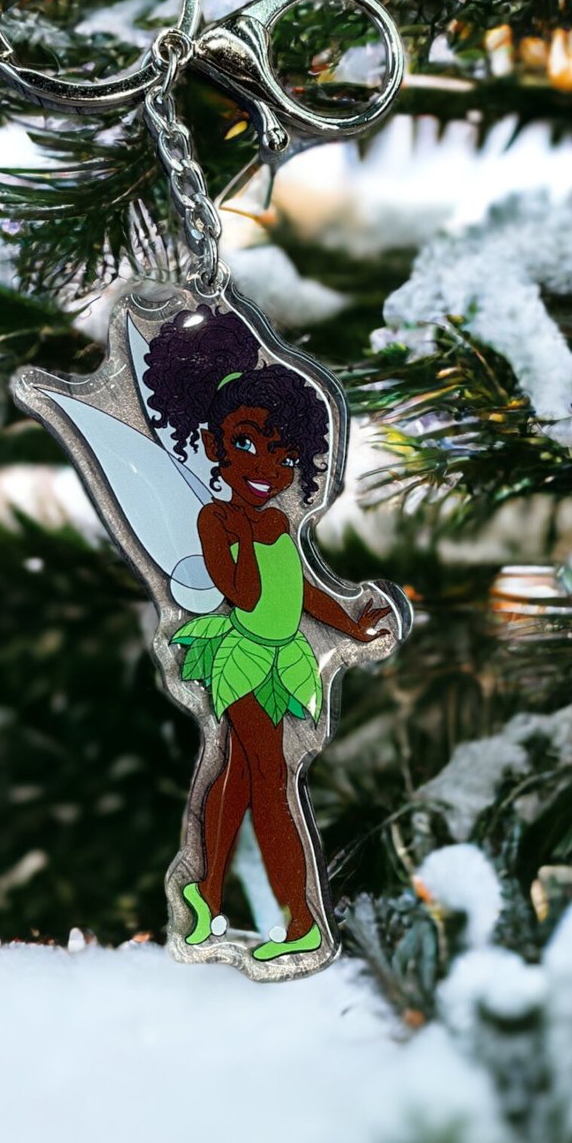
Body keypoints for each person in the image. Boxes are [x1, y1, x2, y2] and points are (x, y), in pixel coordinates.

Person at [142, 305, 391, 960]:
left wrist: (352, 621)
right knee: (274, 784)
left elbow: (304, 592)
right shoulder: (220, 521)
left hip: (282, 658)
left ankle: (203, 896)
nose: (265, 466)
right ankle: (300, 923)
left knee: (238, 779)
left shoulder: (276, 525)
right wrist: (259, 533)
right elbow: (244, 592)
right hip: (243, 658)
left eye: (282, 454)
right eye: (247, 443)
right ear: (217, 444)